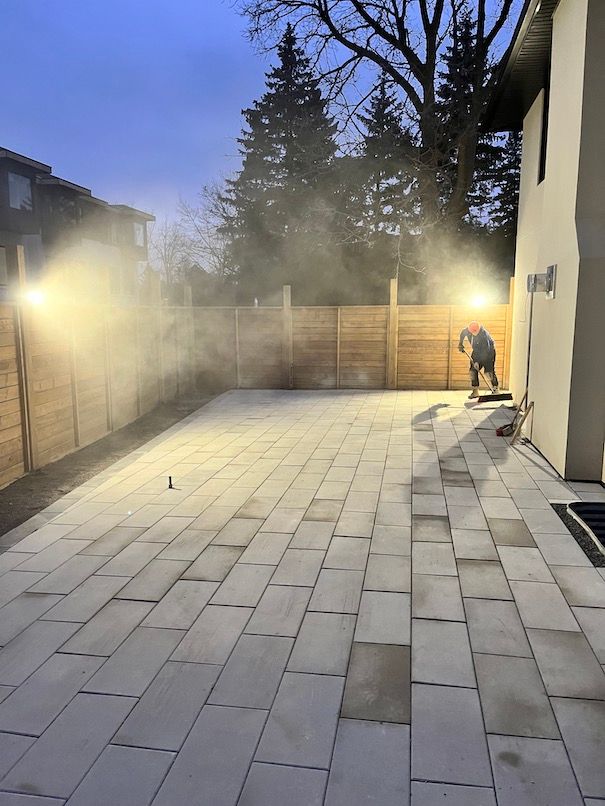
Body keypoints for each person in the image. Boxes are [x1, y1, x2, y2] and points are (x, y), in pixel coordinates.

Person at [458, 321, 499, 399]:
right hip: (476, 351)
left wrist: (477, 362)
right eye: (471, 332)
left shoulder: (484, 336)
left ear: (477, 330)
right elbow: (463, 333)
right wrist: (460, 344)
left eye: (474, 332)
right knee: (472, 371)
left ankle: (495, 389)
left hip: (488, 353)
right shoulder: (468, 330)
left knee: (488, 372)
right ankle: (475, 391)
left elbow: (485, 351)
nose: (472, 333)